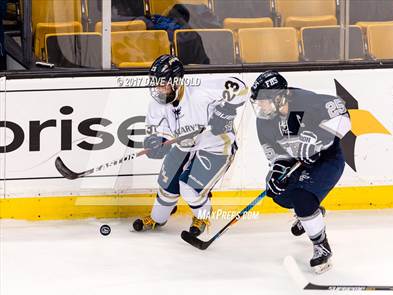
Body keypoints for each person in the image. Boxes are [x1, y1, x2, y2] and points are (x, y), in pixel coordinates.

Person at [133, 55, 248, 236]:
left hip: (216, 147)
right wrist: (157, 142)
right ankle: (157, 219)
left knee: (188, 188)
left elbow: (240, 87)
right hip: (185, 146)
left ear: (177, 81)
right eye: (155, 83)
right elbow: (158, 130)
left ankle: (202, 216)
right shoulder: (157, 103)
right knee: (167, 187)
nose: (158, 88)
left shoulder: (201, 90)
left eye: (163, 83)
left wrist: (225, 112)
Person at [250, 70, 351, 273]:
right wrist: (278, 169)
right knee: (276, 193)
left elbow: (344, 116)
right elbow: (275, 153)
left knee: (302, 197)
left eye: (263, 101)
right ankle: (312, 213)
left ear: (279, 97)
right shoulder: (264, 120)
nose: (260, 106)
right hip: (299, 163)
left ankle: (321, 246)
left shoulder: (305, 101)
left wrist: (319, 141)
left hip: (327, 161)